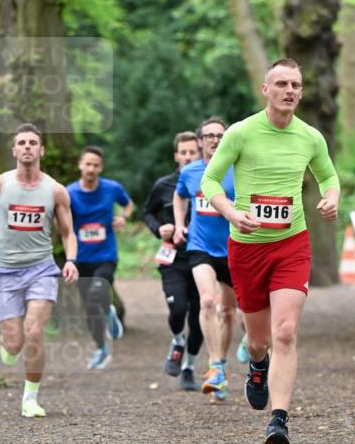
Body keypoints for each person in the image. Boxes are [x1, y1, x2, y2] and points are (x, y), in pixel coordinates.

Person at [201, 58, 340, 444]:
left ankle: (278, 421)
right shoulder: (242, 133)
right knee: (258, 340)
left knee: (285, 332)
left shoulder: (311, 137)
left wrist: (331, 198)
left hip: (291, 244)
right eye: (281, 83)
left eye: (295, 84)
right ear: (266, 89)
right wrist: (230, 212)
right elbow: (210, 178)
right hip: (246, 248)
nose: (290, 91)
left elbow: (329, 177)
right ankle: (257, 367)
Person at [0, 124, 79, 418]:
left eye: (32, 143)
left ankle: (30, 398)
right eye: (21, 143)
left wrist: (70, 260)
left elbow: (68, 232)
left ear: (41, 150)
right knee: (14, 342)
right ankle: (10, 345)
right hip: (7, 272)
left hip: (41, 269)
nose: (27, 147)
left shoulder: (55, 190)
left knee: (35, 330)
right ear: (14, 150)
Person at [172, 117, 236, 399]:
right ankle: (214, 366)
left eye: (220, 135)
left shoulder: (237, 170)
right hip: (200, 247)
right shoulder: (190, 172)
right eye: (209, 136)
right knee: (208, 301)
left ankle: (221, 362)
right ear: (200, 141)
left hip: (233, 248)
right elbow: (179, 196)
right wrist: (178, 224)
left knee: (229, 312)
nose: (214, 140)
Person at [143, 131, 203, 390]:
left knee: (199, 317)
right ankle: (177, 340)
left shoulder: (209, 181)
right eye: (184, 152)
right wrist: (159, 229)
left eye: (193, 152)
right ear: (176, 155)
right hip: (173, 258)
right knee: (178, 308)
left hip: (202, 257)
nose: (188, 157)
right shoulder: (163, 185)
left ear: (199, 153)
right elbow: (147, 213)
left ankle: (189, 367)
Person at [67, 146, 133, 370]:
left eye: (96, 165)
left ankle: (109, 311)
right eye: (88, 164)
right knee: (89, 307)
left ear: (100, 168)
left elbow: (128, 204)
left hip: (106, 254)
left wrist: (123, 217)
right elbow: (61, 220)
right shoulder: (69, 193)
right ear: (80, 165)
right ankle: (101, 348)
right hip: (80, 257)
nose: (91, 169)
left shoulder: (112, 188)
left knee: (98, 289)